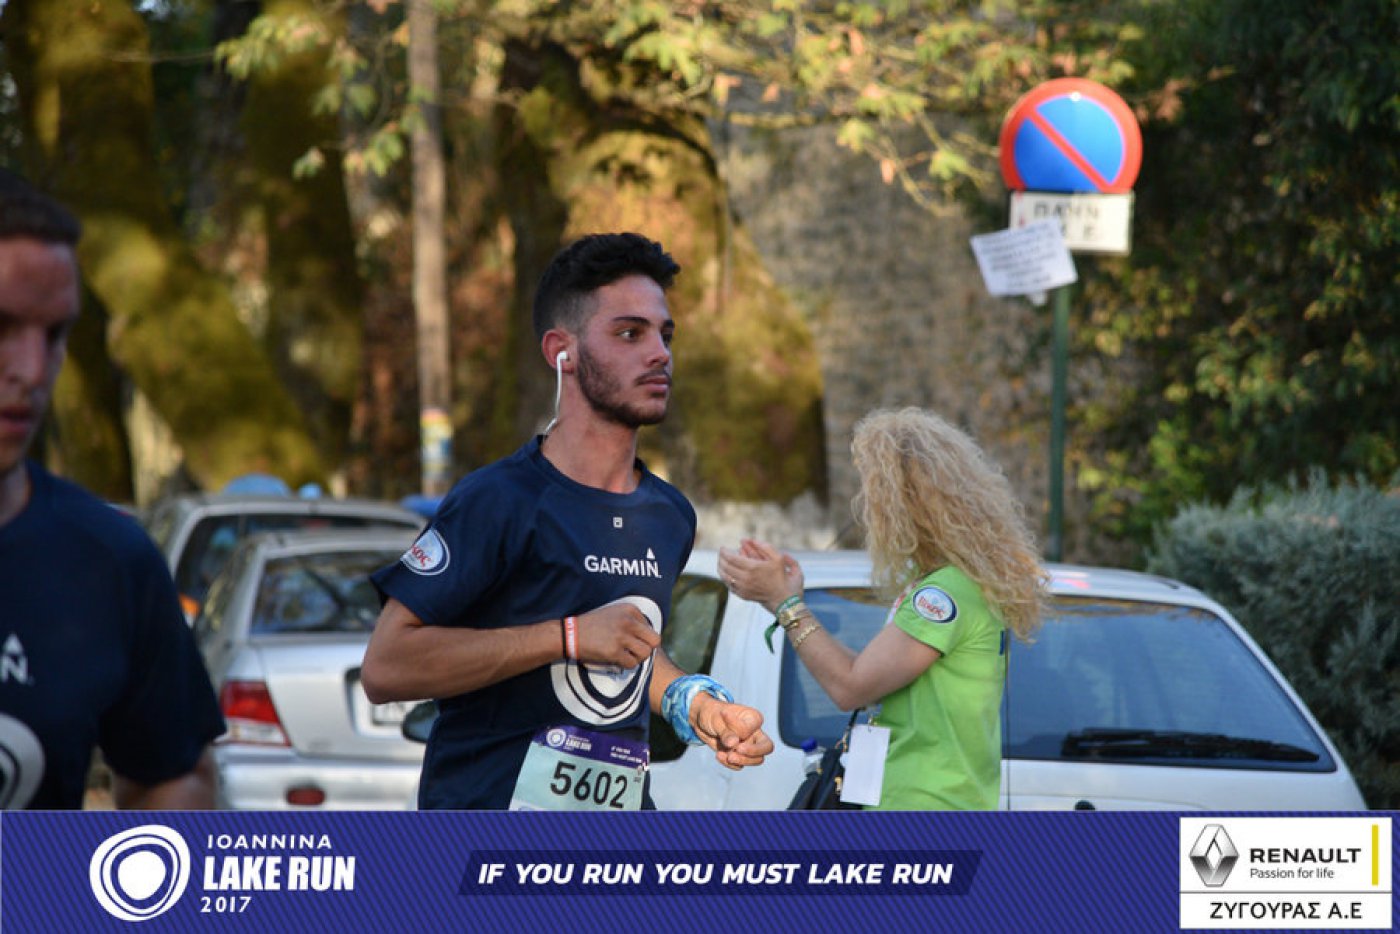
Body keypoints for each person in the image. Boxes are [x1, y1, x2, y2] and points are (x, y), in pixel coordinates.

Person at [362, 232, 773, 810]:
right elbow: (386, 668)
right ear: (563, 352)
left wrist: (693, 702)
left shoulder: (669, 514)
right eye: (629, 333)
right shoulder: (498, 500)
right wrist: (569, 638)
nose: (660, 353)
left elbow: (625, 653)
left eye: (665, 334)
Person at [0, 169, 225, 809]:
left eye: (55, 335)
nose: (32, 371)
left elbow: (173, 774)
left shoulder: (107, 561)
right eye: (1, 326)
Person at [719, 407, 1047, 810]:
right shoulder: (959, 583)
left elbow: (849, 688)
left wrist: (784, 604)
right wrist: (790, 600)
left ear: (905, 503)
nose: (868, 510)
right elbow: (864, 675)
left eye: (874, 494)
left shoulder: (943, 594)